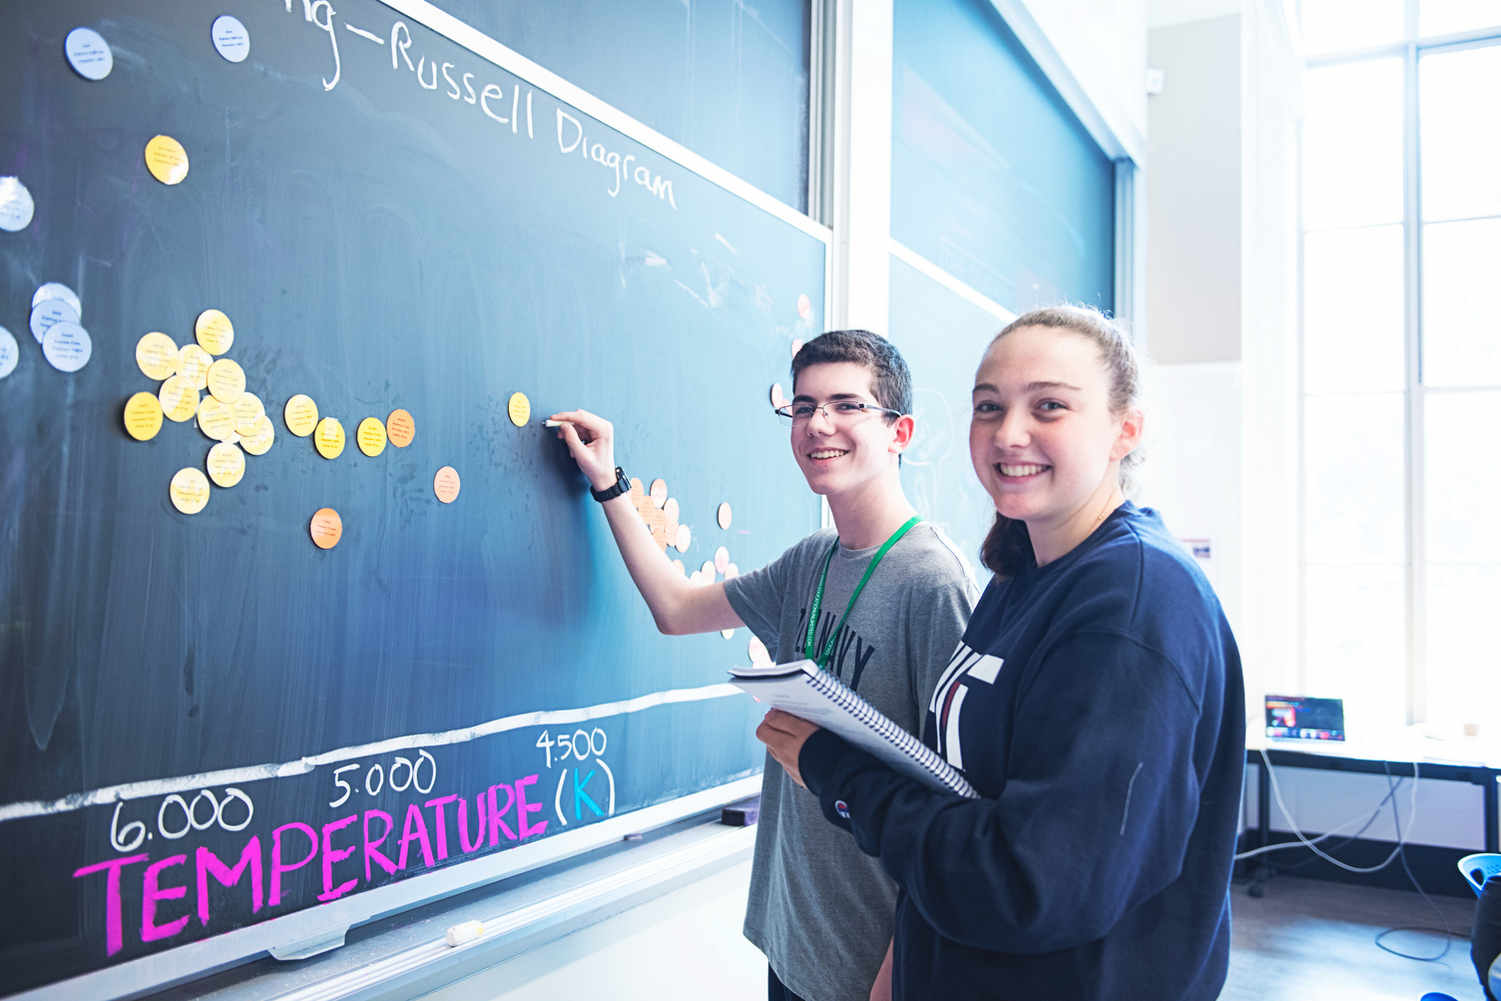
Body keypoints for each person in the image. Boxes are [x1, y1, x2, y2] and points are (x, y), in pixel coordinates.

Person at [759, 305, 1245, 1001]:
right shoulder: (1023, 573)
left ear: (1123, 428)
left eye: (1048, 405)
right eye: (988, 407)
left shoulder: (1131, 603)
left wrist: (837, 773)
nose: (1008, 433)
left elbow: (1026, 882)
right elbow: (963, 788)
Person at [549, 329, 978, 1001]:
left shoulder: (934, 584)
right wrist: (608, 482)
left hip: (875, 971)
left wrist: (898, 978)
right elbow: (675, 606)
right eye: (803, 406)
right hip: (795, 942)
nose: (819, 424)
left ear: (900, 432)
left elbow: (958, 804)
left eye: (846, 404)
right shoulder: (810, 560)